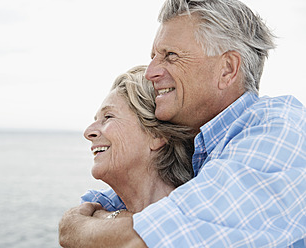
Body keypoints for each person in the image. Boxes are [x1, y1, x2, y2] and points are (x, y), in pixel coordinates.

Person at [59, 0, 306, 247]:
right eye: (154, 57)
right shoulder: (206, 153)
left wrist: (77, 227)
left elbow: (156, 238)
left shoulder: (279, 130)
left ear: (227, 69)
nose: (150, 72)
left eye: (170, 56)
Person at [81, 65, 194, 214]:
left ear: (156, 135)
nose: (88, 132)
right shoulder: (98, 205)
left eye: (108, 117)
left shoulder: (194, 214)